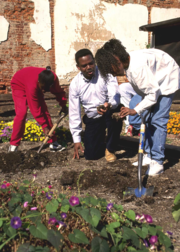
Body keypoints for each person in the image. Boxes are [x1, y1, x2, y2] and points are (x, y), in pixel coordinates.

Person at [95, 39, 180, 176]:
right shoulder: (128, 65)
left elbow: (153, 93)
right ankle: (149, 153)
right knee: (139, 119)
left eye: (109, 68)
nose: (111, 72)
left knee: (157, 120)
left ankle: (157, 161)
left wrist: (136, 110)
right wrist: (136, 110)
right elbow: (146, 90)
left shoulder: (136, 68)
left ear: (116, 60)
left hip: (166, 79)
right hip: (152, 86)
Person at [69, 49, 122, 162]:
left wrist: (109, 105)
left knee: (116, 112)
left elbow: (115, 93)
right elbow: (74, 112)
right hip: (93, 117)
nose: (89, 67)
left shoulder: (105, 74)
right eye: (84, 65)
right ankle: (101, 141)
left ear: (94, 62)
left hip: (109, 111)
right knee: (91, 155)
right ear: (78, 67)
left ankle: (110, 148)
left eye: (91, 63)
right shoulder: (75, 84)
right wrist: (76, 139)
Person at [9, 66, 67, 152]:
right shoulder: (32, 86)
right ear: (39, 82)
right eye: (42, 88)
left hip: (35, 84)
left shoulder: (53, 79)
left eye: (45, 89)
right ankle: (13, 145)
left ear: (51, 85)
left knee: (44, 111)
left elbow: (59, 92)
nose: (43, 91)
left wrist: (63, 106)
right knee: (22, 113)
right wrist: (44, 126)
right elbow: (35, 109)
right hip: (19, 83)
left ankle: (53, 143)